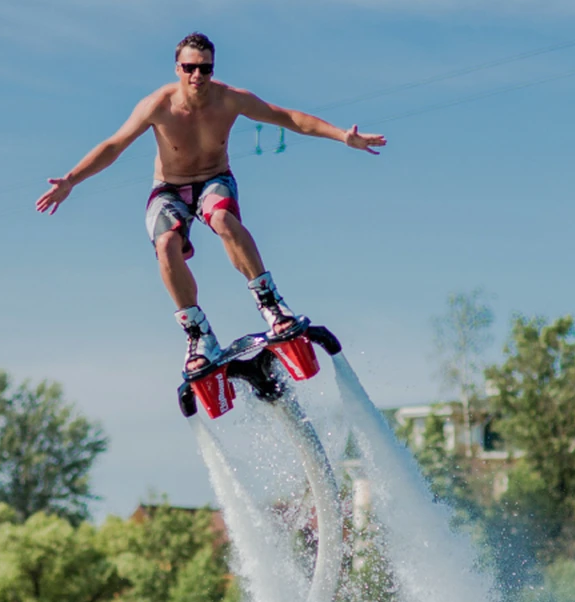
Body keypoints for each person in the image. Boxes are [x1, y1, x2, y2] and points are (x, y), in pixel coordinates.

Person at [36, 32, 386, 375]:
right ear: (177, 68)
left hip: (214, 181)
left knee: (221, 219)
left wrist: (343, 136)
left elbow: (289, 118)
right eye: (190, 68)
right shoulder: (158, 105)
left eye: (205, 68)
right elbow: (114, 145)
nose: (198, 76)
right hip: (169, 190)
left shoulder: (230, 99)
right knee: (166, 243)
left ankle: (270, 303)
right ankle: (198, 333)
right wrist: (71, 180)